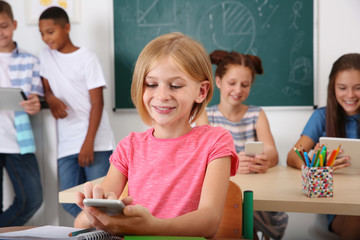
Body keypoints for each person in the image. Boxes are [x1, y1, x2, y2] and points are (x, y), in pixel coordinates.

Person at [74, 32, 239, 238]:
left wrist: (149, 226)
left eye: (176, 86)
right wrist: (94, 210)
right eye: (151, 84)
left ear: (201, 91)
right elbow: (80, 222)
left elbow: (209, 222)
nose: (161, 96)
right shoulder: (129, 146)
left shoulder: (215, 142)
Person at [197, 50, 287, 240]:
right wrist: (234, 164)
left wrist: (266, 160)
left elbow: (272, 152)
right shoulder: (206, 115)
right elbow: (202, 159)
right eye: (232, 83)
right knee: (233, 217)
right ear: (218, 81)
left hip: (256, 192)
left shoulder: (256, 114)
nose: (238, 90)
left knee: (248, 214)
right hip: (224, 192)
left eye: (245, 85)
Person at [38, 6, 115, 218]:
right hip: (67, 142)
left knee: (100, 200)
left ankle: (105, 232)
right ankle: (97, 231)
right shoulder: (46, 56)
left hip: (95, 141)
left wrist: (88, 142)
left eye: (50, 32)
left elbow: (97, 103)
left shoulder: (87, 58)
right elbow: (46, 87)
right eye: (42, 33)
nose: (45, 38)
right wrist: (51, 98)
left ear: (67, 28)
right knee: (69, 201)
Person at [287, 53, 360, 239]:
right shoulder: (322, 117)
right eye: (342, 88)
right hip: (340, 203)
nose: (350, 95)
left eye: (358, 88)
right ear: (332, 88)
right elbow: (293, 156)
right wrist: (315, 165)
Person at [0, 0, 43, 226]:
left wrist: (35, 104)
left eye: (4, 25)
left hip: (19, 140)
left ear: (15, 24)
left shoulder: (30, 60)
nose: (0, 32)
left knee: (32, 199)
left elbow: (36, 99)